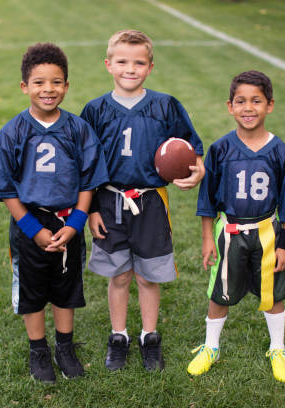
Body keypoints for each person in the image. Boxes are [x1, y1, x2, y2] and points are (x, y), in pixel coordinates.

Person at [0, 43, 109, 384]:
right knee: (32, 290)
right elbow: (6, 188)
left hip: (68, 221)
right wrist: (31, 227)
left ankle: (64, 347)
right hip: (29, 223)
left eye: (56, 82)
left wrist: (77, 222)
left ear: (66, 86)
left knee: (66, 287)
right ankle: (38, 349)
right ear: (24, 87)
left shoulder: (79, 129)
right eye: (39, 82)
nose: (48, 89)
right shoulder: (12, 132)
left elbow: (88, 181)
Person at [80, 29, 205, 372]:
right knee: (119, 275)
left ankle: (150, 336)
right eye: (122, 62)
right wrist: (90, 209)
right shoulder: (94, 110)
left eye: (138, 62)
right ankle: (118, 335)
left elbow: (191, 149)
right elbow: (85, 165)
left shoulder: (166, 105)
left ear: (150, 66)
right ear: (108, 65)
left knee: (148, 277)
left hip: (151, 202)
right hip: (109, 202)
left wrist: (197, 171)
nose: (130, 69)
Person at [188, 70, 285, 382]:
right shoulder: (220, 149)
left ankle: (278, 347)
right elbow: (207, 201)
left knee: (272, 293)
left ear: (270, 105)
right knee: (220, 293)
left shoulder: (279, 150)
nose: (248, 107)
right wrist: (206, 240)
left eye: (256, 101)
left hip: (268, 231)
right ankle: (211, 347)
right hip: (229, 231)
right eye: (241, 101)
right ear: (229, 106)